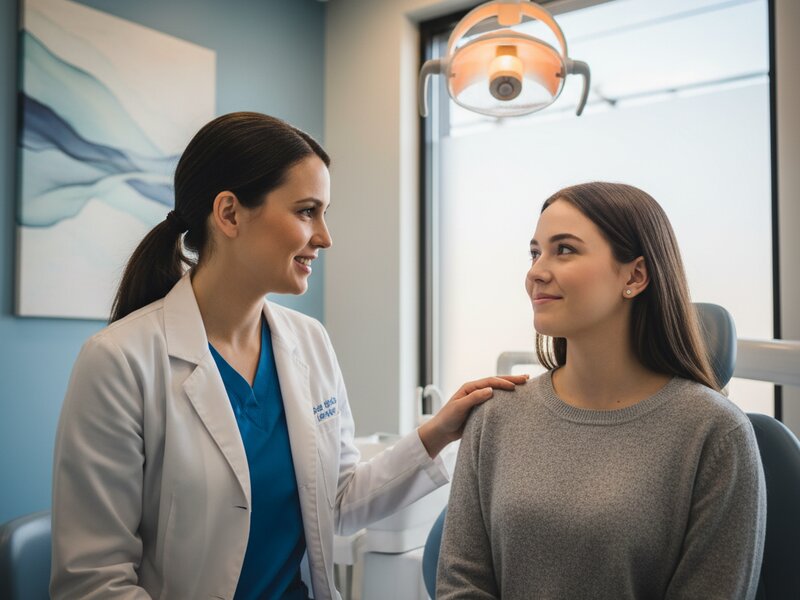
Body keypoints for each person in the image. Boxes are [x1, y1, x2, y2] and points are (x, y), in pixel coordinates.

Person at [49, 112, 526, 600]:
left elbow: (335, 503)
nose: (325, 236)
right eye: (306, 211)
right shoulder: (119, 362)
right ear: (230, 214)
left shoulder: (309, 342)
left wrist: (438, 432)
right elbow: (94, 581)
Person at [436, 182, 767, 600]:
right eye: (535, 252)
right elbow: (460, 585)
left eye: (565, 250)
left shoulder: (715, 434)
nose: (536, 271)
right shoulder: (495, 417)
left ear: (635, 275)